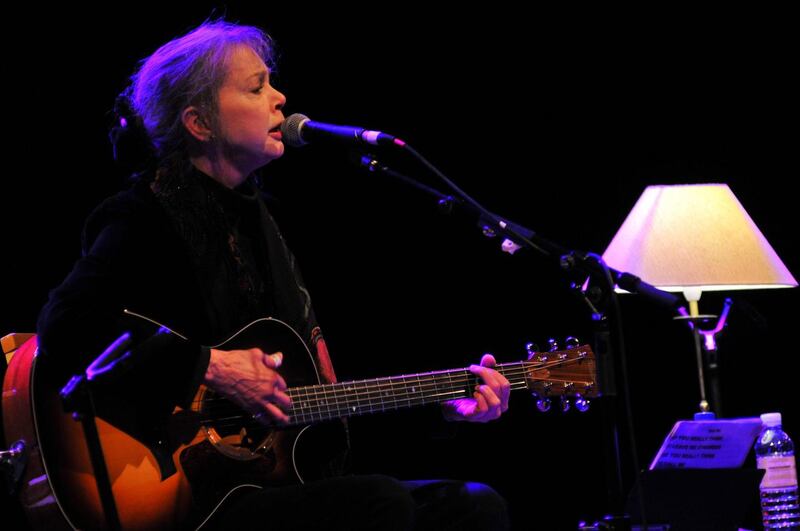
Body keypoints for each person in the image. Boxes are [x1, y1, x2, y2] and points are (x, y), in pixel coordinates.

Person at [37, 19, 511, 530]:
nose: (281, 98)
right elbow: (66, 324)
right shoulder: (143, 216)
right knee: (380, 504)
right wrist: (207, 366)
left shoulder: (271, 222)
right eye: (257, 87)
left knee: (473, 505)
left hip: (277, 482)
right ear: (200, 123)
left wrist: (443, 408)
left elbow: (324, 404)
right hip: (193, 499)